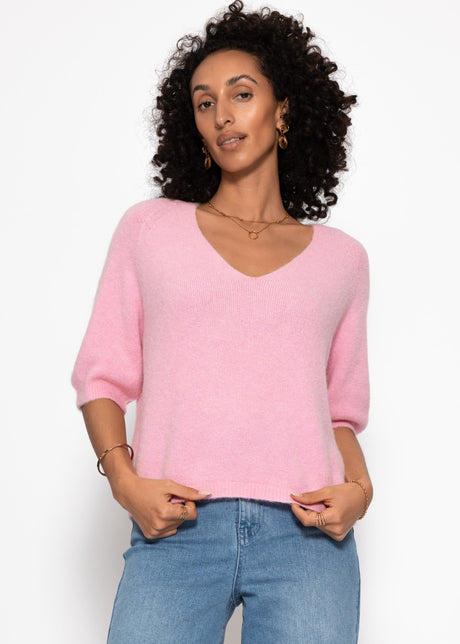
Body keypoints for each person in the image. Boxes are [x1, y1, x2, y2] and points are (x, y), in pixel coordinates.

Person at [71, 2, 373, 642]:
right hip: (178, 530)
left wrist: (362, 490)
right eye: (204, 103)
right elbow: (101, 376)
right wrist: (124, 482)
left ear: (282, 111)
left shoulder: (343, 260)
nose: (222, 115)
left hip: (308, 537)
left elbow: (340, 413)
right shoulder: (150, 230)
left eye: (241, 94)